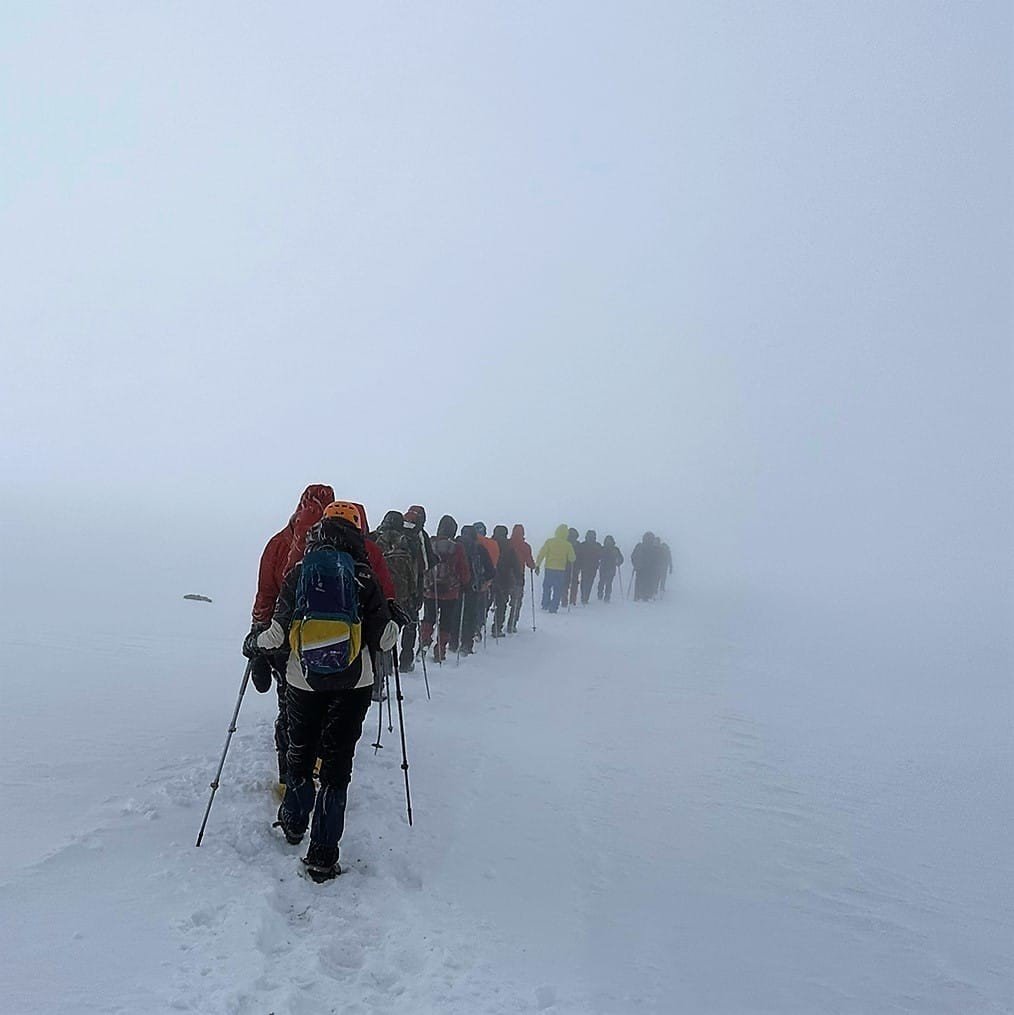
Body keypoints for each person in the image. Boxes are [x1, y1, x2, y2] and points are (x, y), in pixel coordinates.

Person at [254, 501, 397, 882]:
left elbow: (276, 634)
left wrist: (254, 644)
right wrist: (393, 622)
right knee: (336, 766)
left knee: (300, 753)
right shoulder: (365, 576)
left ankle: (293, 822)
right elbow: (384, 640)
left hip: (303, 680)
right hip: (355, 683)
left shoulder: (300, 571)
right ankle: (322, 853)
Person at [245, 484, 334, 791]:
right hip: (329, 641)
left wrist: (258, 633)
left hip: (283, 638)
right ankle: (318, 765)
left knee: (290, 707)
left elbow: (266, 594)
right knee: (325, 706)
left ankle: (289, 779)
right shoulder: (343, 546)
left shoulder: (279, 543)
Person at [369, 511, 420, 685]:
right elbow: (413, 571)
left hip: (375, 595)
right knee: (391, 632)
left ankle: (377, 676)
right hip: (399, 596)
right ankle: (390, 666)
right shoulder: (406, 542)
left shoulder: (373, 539)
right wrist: (414, 593)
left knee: (376, 634)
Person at [421, 515, 471, 662]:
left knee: (428, 618)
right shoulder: (457, 547)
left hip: (431, 590)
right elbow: (463, 568)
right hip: (450, 592)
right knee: (446, 622)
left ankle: (424, 641)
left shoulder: (431, 543)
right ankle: (440, 650)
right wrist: (465, 583)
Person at [401, 505, 435, 670]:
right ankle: (405, 662)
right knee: (410, 623)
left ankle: (386, 664)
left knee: (390, 624)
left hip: (391, 588)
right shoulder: (420, 534)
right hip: (413, 587)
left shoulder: (394, 530)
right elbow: (426, 564)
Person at [458, 524, 494, 654]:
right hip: (473, 587)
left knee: (456, 614)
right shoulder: (479, 548)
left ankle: (452, 642)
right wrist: (485, 582)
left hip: (455, 586)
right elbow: (490, 571)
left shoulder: (455, 545)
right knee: (470, 615)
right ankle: (466, 644)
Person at [535, 525, 576, 614]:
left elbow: (542, 553)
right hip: (560, 570)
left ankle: (545, 604)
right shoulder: (567, 545)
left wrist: (537, 565)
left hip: (549, 568)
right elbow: (572, 558)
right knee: (558, 589)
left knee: (547, 587)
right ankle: (554, 607)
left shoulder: (549, 542)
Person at [490, 525, 521, 638]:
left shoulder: (489, 544)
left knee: (485, 604)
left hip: (489, 579)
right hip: (504, 580)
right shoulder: (509, 548)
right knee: (501, 605)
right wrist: (519, 579)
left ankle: (478, 626)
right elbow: (515, 565)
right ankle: (497, 628)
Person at [506, 523, 536, 633]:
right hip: (518, 575)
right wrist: (533, 566)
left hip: (506, 575)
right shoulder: (525, 546)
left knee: (502, 600)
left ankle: (497, 623)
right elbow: (529, 562)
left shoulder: (507, 543)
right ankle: (512, 624)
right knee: (516, 601)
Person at [473, 522, 499, 641]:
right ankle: (478, 626)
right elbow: (495, 562)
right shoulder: (493, 544)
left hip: (471, 580)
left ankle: (468, 627)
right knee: (482, 606)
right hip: (487, 580)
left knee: (470, 605)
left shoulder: (468, 543)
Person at [632, 531, 661, 602]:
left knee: (641, 582)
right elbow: (657, 559)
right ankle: (645, 596)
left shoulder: (640, 546)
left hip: (642, 568)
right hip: (646, 568)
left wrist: (635, 564)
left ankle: (639, 596)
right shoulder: (653, 548)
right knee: (646, 582)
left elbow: (633, 556)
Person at [576, 529, 602, 605]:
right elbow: (601, 555)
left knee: (584, 582)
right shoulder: (597, 545)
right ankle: (585, 598)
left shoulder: (583, 545)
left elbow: (578, 555)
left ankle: (584, 597)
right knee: (589, 582)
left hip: (585, 566)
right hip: (592, 566)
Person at [597, 535, 624, 602]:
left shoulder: (615, 549)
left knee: (608, 583)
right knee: (602, 582)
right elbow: (598, 556)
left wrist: (619, 561)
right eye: (607, 541)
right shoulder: (603, 549)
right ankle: (600, 593)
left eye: (609, 541)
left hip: (611, 568)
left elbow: (621, 558)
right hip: (603, 568)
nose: (608, 543)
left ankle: (607, 596)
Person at [563, 528, 581, 607]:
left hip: (573, 567)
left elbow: (581, 556)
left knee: (569, 584)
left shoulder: (577, 545)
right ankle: (568, 601)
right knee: (568, 584)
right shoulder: (566, 544)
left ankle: (569, 601)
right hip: (568, 567)